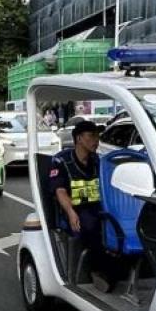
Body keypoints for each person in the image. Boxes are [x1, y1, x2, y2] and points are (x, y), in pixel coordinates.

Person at [49, 120, 118, 292]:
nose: (96, 140)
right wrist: (71, 212)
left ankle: (118, 268)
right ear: (79, 138)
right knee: (91, 224)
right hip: (75, 210)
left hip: (99, 208)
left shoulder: (98, 161)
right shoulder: (62, 161)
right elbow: (60, 191)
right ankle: (97, 271)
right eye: (92, 136)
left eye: (98, 136)